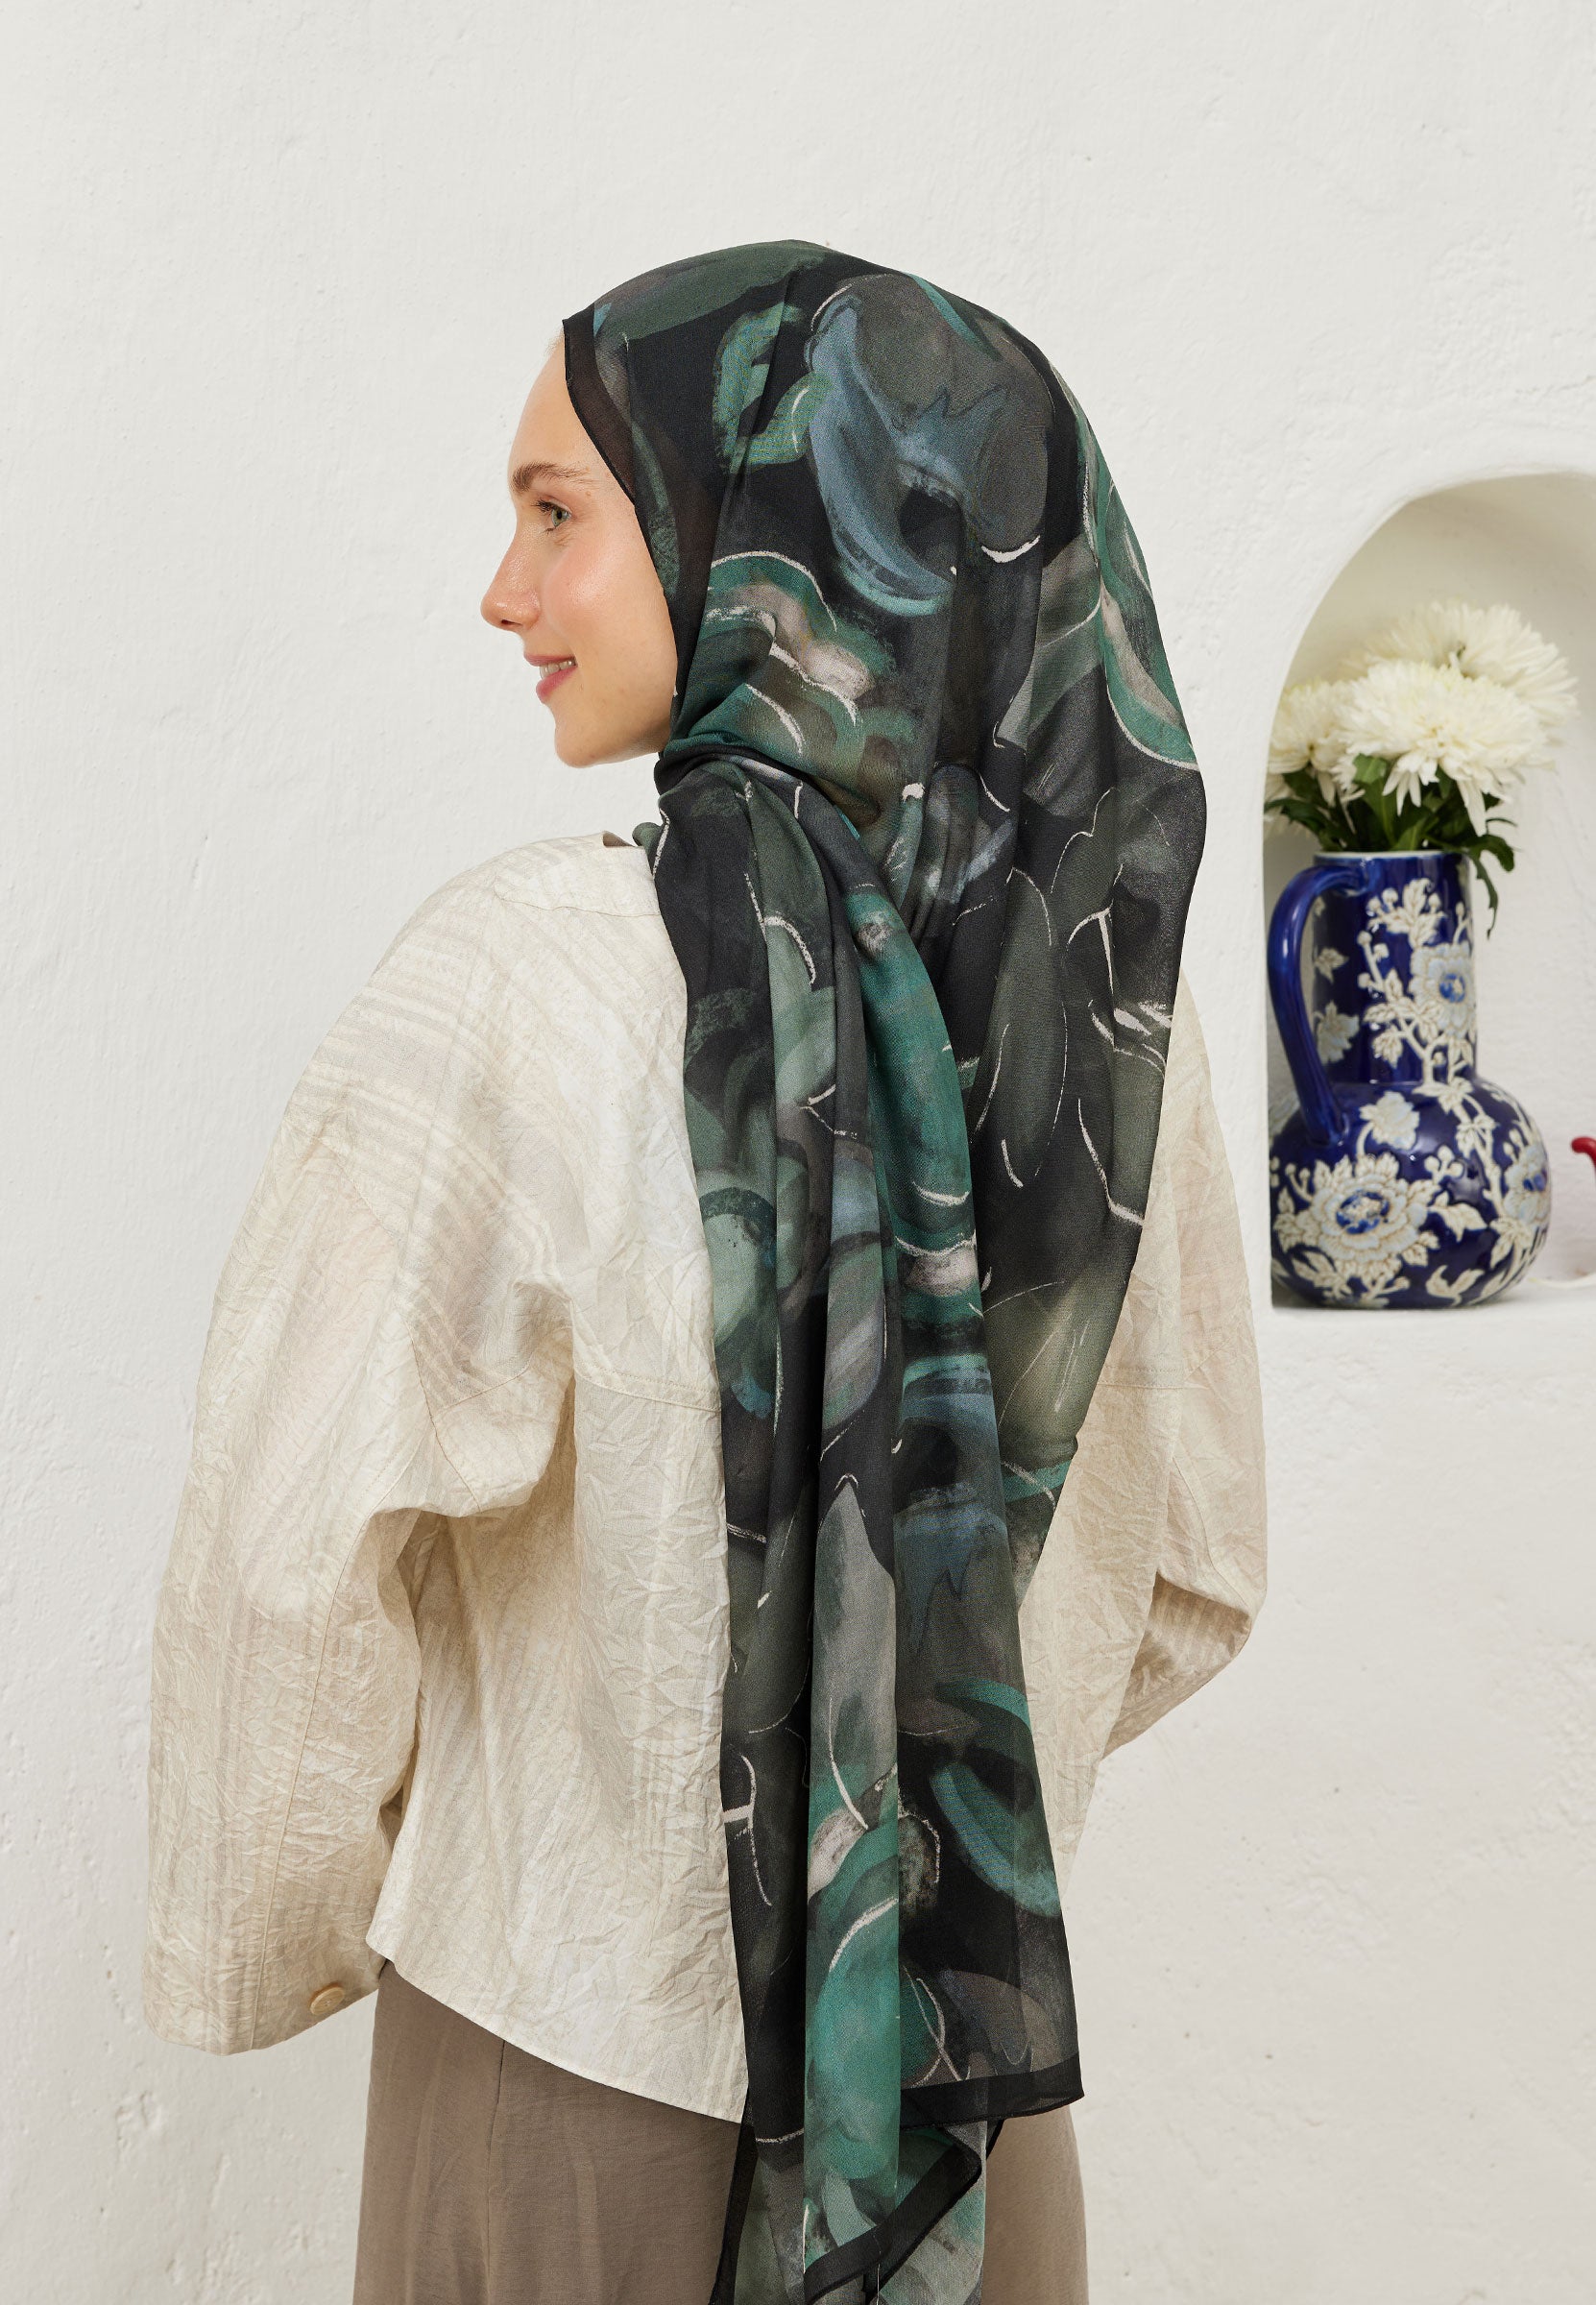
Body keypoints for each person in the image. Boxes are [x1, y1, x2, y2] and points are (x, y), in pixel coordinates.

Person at [143, 242, 1267, 2305]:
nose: (504, 592)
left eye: (557, 511)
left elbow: (283, 1578)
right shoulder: (1124, 1032)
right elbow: (1190, 1570)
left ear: (774, 531)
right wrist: (922, 1824)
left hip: (564, 2085)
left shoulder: (521, 982)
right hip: (964, 2104)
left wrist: (347, 1914)